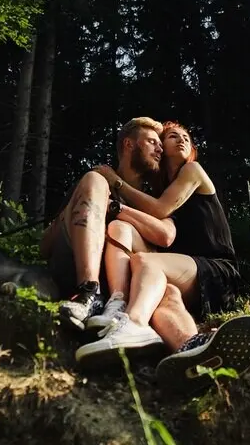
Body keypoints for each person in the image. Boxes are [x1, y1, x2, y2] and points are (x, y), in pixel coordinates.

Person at [77, 120, 250, 392]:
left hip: (218, 271)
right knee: (162, 292)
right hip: (183, 275)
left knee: (146, 262)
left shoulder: (192, 171)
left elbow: (159, 209)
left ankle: (133, 322)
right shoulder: (159, 187)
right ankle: (192, 348)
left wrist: (115, 183)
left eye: (186, 138)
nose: (182, 140)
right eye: (172, 137)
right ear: (160, 147)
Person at [41, 116, 177, 330]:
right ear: (129, 144)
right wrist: (81, 211)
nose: (159, 149)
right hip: (72, 274)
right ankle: (89, 293)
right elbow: (45, 246)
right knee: (94, 181)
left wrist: (115, 207)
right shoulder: (94, 183)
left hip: (129, 285)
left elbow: (166, 235)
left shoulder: (155, 200)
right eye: (152, 142)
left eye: (161, 145)